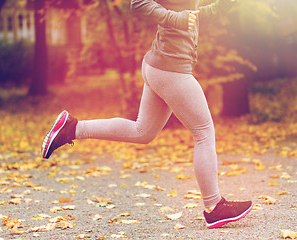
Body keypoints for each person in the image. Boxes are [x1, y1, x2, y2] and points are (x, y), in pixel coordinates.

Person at [41, 0, 252, 229]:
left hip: (161, 65)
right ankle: (214, 206)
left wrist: (222, 6)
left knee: (142, 131)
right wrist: (174, 18)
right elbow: (139, 3)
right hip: (171, 68)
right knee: (203, 132)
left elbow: (190, 13)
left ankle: (72, 128)